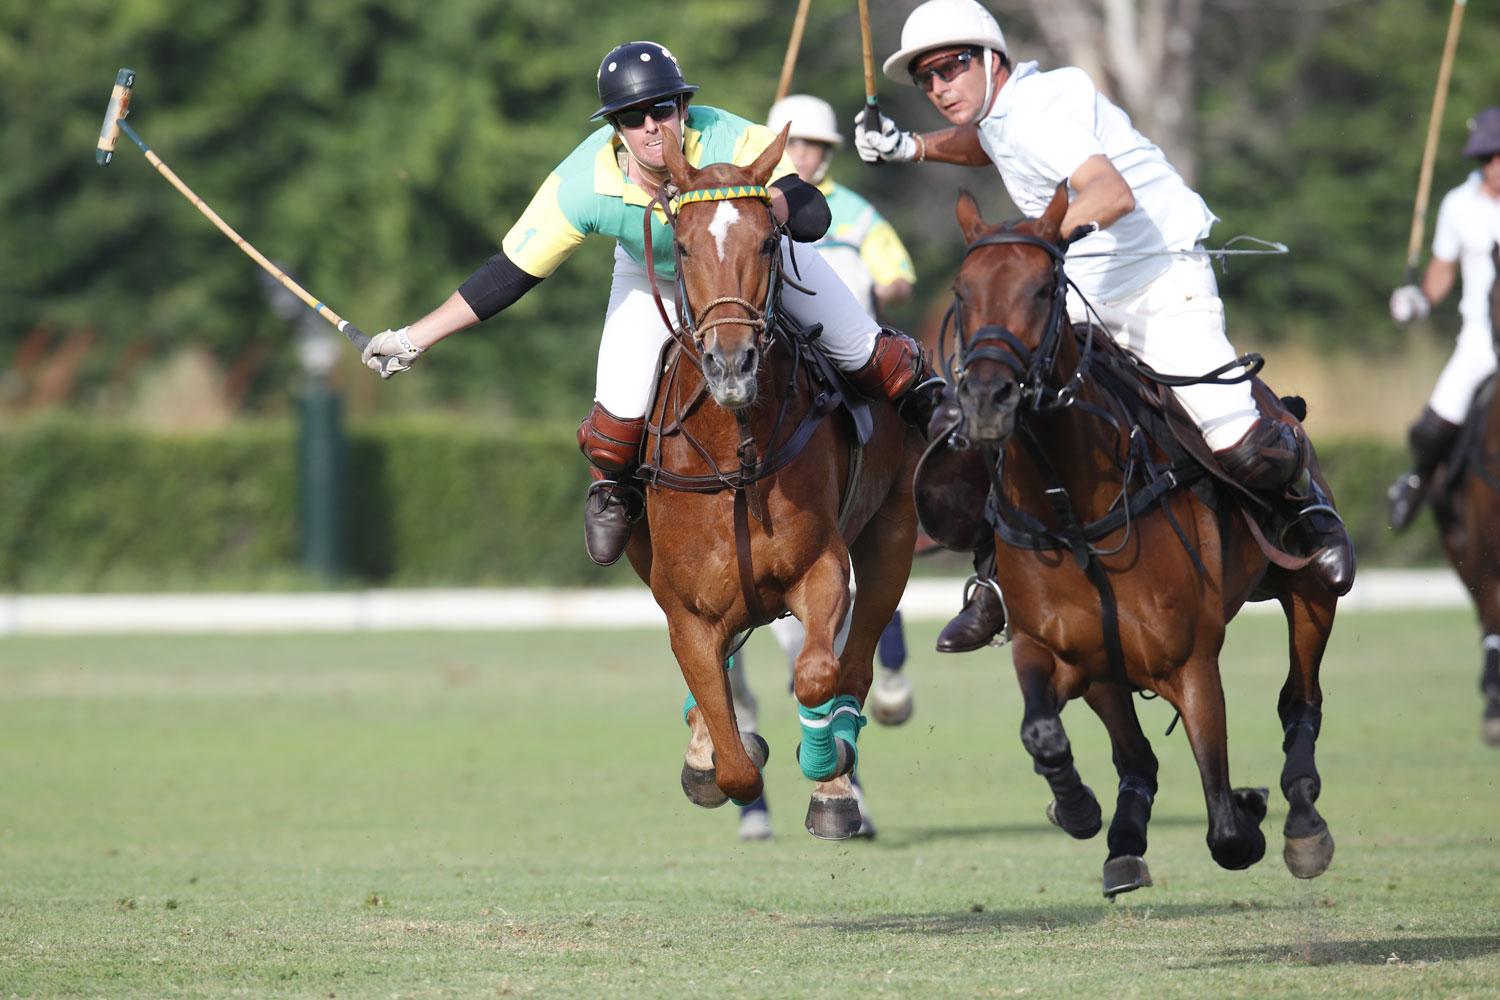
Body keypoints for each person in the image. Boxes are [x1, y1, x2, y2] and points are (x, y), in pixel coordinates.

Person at [852, 0, 1355, 651]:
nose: (940, 86)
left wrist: (1034, 243)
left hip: (1160, 283)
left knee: (1237, 442)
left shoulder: (1041, 110)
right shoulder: (1008, 115)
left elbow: (1110, 193)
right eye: (927, 79)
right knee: (999, 410)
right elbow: (989, 145)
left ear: (990, 59)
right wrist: (909, 146)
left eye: (951, 67)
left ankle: (1309, 511)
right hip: (1086, 288)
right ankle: (996, 578)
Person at [361, 41, 944, 569]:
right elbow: (508, 274)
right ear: (614, 126)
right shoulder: (582, 185)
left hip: (749, 264)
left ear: (683, 109)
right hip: (654, 275)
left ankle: (944, 441)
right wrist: (413, 338)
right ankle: (614, 492)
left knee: (872, 355)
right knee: (615, 424)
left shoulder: (730, 136)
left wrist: (760, 210)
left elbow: (811, 213)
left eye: (663, 109)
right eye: (632, 118)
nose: (651, 128)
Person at [729, 95, 921, 840]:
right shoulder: (742, 194)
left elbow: (895, 271)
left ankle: (955, 505)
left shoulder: (856, 213)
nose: (807, 156)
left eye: (818, 146)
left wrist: (894, 285)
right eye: (797, 143)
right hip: (759, 342)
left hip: (836, 342)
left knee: (899, 415)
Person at [1386, 107, 1500, 529]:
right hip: (1481, 337)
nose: (1495, 165)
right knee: (1433, 425)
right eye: (1487, 157)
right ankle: (1414, 483)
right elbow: (1442, 269)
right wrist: (1420, 299)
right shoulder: (1458, 205)